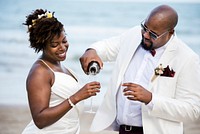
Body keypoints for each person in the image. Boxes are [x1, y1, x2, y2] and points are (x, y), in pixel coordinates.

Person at [79, 5, 200, 134]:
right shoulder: (134, 34)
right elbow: (108, 47)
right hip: (122, 130)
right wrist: (92, 50)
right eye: (145, 28)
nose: (146, 35)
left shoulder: (187, 58)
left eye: (153, 34)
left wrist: (151, 99)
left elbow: (192, 111)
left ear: (170, 32)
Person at [22, 9, 100, 134]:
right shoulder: (40, 72)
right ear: (42, 45)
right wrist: (77, 97)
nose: (62, 47)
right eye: (54, 44)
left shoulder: (61, 67)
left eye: (64, 41)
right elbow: (40, 120)